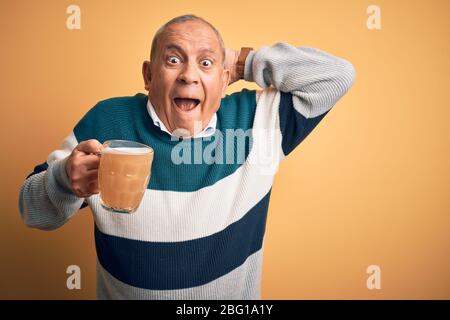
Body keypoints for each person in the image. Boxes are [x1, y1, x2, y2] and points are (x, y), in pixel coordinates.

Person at [18, 14, 355, 299]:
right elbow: (34, 214)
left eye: (205, 63)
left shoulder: (259, 122)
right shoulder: (106, 122)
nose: (189, 75)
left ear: (224, 80)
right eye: (174, 59)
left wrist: (242, 61)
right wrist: (62, 180)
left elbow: (337, 76)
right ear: (149, 75)